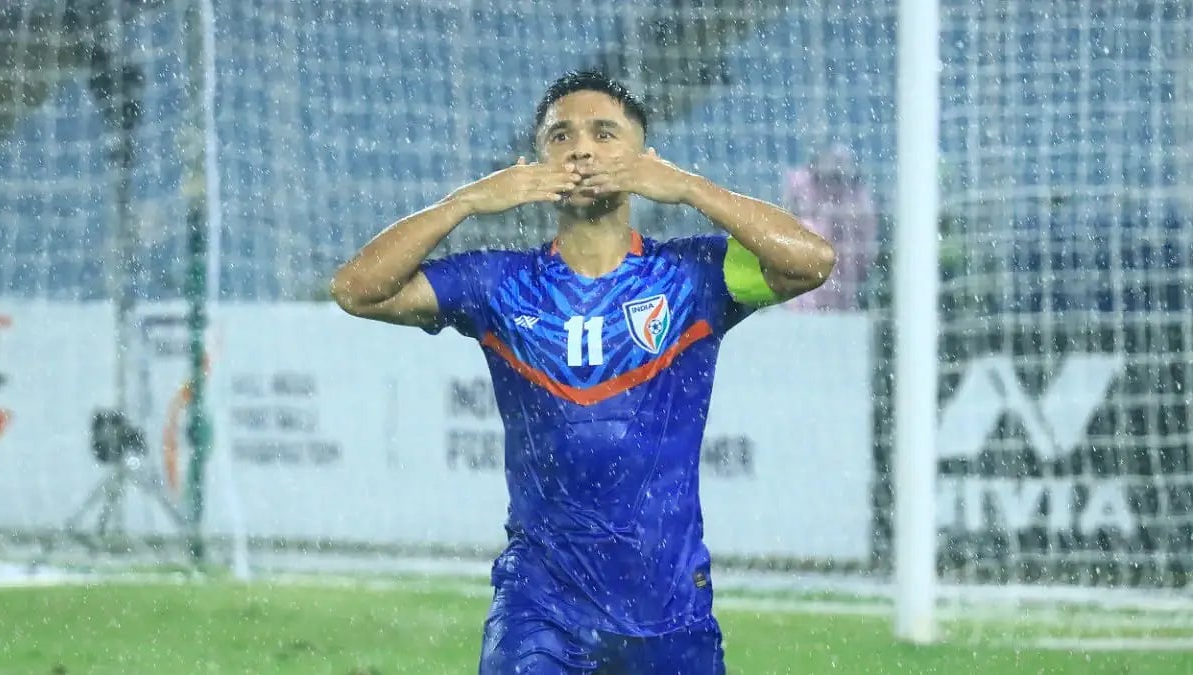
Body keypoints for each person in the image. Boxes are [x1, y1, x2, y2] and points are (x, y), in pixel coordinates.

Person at [331, 70, 836, 674]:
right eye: (560, 136)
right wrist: (465, 202)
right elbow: (358, 289)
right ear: (538, 162)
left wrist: (689, 188)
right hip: (539, 608)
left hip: (668, 610)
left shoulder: (693, 276)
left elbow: (812, 261)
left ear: (642, 159)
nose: (581, 149)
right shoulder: (499, 283)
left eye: (604, 133)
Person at [781, 144, 878, 312]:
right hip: (806, 294)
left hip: (842, 291)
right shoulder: (802, 189)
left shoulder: (858, 202)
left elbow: (866, 252)